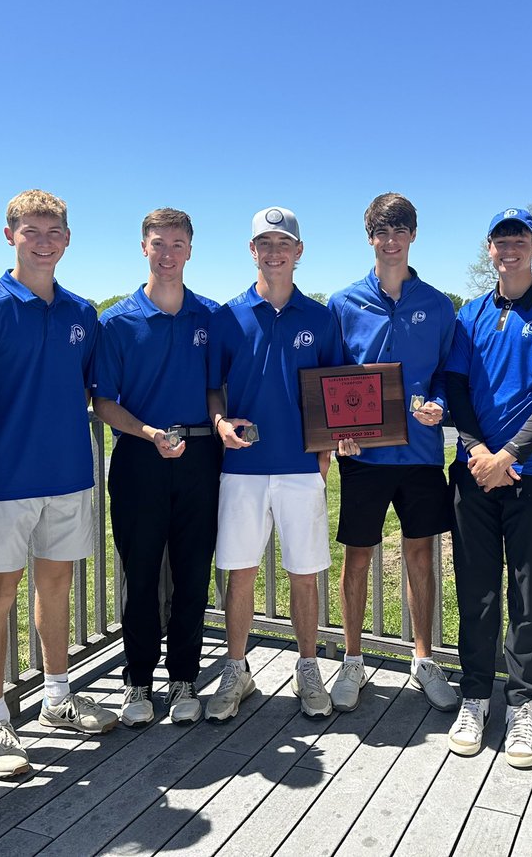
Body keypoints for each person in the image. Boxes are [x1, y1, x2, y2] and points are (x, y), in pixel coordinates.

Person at [0, 190, 118, 781]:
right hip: (4, 482)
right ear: (9, 235)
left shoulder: (82, 313)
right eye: (32, 231)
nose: (44, 241)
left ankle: (56, 695)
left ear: (67, 240)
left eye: (54, 232)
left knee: (57, 586)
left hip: (70, 475)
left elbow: (98, 393)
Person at [445, 208, 532, 768]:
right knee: (476, 590)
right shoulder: (471, 314)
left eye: (518, 241)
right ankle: (475, 698)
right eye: (500, 242)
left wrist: (509, 455)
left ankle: (522, 705)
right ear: (489, 248)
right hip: (474, 473)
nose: (509, 250)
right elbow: (455, 389)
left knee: (528, 595)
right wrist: (480, 452)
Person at [204, 206, 345, 721]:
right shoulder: (227, 316)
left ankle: (308, 667)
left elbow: (335, 392)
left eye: (284, 242)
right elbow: (213, 388)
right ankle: (236, 669)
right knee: (239, 573)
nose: (275, 251)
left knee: (304, 573)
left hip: (301, 466)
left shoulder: (320, 317)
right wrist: (219, 423)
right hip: (242, 467)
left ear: (299, 252)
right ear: (252, 251)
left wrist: (325, 456)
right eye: (265, 243)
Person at [326, 193, 458, 713]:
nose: (391, 239)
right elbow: (331, 381)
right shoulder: (343, 304)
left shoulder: (438, 303)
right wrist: (339, 431)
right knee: (357, 557)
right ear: (370, 238)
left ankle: (423, 659)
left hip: (423, 455)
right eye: (382, 230)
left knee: (421, 556)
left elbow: (449, 373)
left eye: (400, 229)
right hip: (363, 459)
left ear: (412, 236)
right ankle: (353, 662)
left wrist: (441, 404)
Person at [91, 208, 221, 727]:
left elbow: (216, 387)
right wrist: (147, 433)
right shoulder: (117, 322)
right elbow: (103, 401)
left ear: (190, 249)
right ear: (143, 248)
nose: (168, 254)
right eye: (158, 244)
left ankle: (185, 678)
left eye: (177, 244)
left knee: (193, 571)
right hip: (140, 458)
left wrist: (218, 420)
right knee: (140, 573)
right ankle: (138, 683)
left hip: (200, 457)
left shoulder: (210, 318)